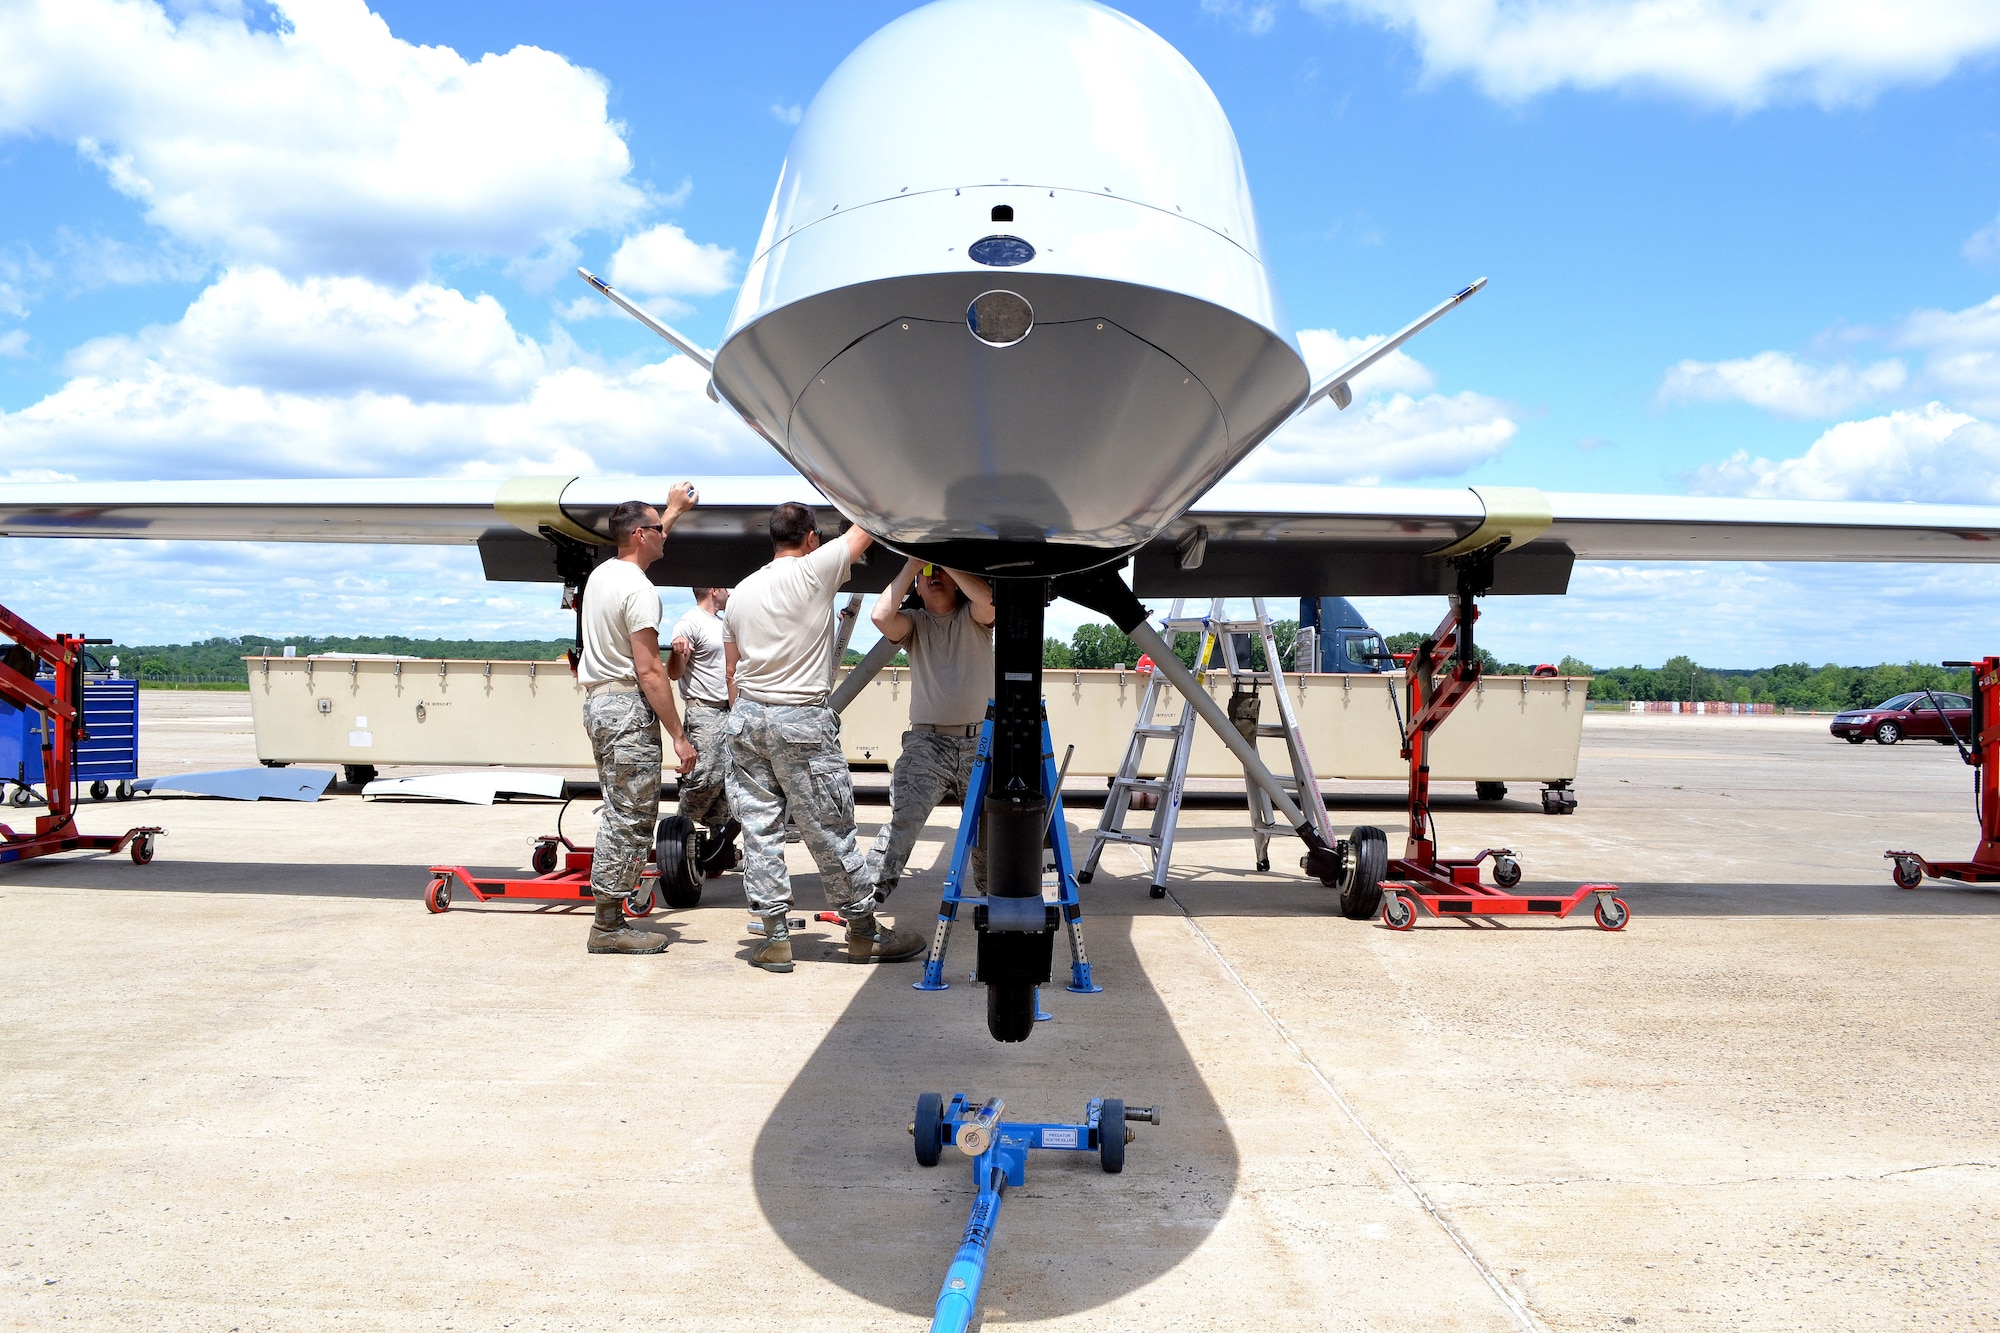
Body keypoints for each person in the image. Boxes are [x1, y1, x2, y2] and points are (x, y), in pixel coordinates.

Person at [722, 502, 924, 972]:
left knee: (760, 830)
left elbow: (731, 671)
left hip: (748, 718)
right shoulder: (815, 570)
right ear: (811, 537)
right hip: (800, 719)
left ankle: (773, 936)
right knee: (829, 829)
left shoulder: (740, 594)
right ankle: (863, 933)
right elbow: (868, 528)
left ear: (774, 539)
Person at [576, 488, 700, 955]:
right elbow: (650, 671)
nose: (664, 536)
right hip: (628, 709)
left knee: (617, 808)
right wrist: (679, 737)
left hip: (599, 705)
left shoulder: (602, 576)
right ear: (639, 534)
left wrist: (672, 510)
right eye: (658, 529)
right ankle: (608, 925)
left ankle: (610, 917)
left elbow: (645, 540)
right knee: (630, 817)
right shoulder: (640, 591)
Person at [863, 558, 995, 903]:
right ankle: (864, 902)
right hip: (927, 743)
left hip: (978, 742)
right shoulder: (914, 623)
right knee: (902, 822)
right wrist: (912, 566)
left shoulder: (974, 618)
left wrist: (947, 565)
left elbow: (987, 603)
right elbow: (880, 617)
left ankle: (994, 900)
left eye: (942, 574)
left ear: (955, 582)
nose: (933, 577)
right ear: (917, 589)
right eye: (927, 575)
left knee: (988, 831)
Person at [666, 586, 740, 870]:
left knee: (726, 783)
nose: (730, 594)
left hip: (730, 709)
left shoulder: (723, 623)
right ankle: (678, 830)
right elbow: (674, 671)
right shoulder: (691, 621)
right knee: (706, 775)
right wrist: (679, 650)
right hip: (706, 709)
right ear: (713, 589)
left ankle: (715, 848)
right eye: (726, 589)